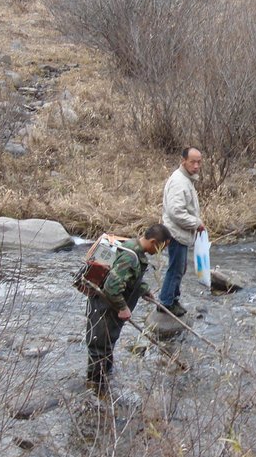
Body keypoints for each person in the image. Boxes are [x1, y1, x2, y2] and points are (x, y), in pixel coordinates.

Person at [86, 224, 172, 396]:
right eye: (162, 247)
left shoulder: (136, 251)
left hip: (110, 308)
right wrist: (123, 308)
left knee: (107, 345)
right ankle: (95, 389)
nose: (162, 251)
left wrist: (144, 290)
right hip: (104, 307)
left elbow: (131, 278)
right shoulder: (130, 256)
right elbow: (112, 286)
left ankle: (105, 381)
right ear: (154, 242)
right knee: (99, 348)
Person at [159, 147, 205, 316]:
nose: (196, 166)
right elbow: (176, 212)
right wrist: (196, 223)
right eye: (193, 162)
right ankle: (166, 302)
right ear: (183, 161)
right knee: (176, 269)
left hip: (180, 233)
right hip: (176, 233)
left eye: (199, 162)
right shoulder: (179, 181)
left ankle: (172, 299)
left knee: (180, 268)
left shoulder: (187, 179)